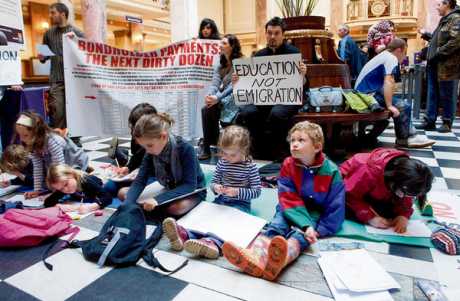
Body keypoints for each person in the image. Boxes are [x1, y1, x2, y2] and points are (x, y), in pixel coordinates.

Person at [222, 121, 345, 281]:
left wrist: (319, 230)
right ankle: (255, 256)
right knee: (277, 225)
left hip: (313, 212)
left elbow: (336, 205)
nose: (294, 144)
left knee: (301, 237)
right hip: (288, 207)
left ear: (317, 147)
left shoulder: (332, 171)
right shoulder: (288, 164)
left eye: (301, 140)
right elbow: (287, 195)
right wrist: (305, 224)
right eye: (292, 140)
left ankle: (282, 258)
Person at [163, 126, 261, 259]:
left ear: (244, 150)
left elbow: (256, 191)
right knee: (205, 219)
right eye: (224, 153)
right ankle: (184, 235)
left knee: (227, 226)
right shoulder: (223, 163)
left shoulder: (251, 167)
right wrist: (216, 188)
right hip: (221, 200)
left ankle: (212, 243)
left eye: (232, 155)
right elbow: (213, 183)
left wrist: (237, 192)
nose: (227, 158)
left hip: (240, 205)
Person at [234, 17, 307, 160]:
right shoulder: (259, 55)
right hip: (264, 99)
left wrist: (302, 75)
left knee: (277, 113)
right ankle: (257, 152)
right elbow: (251, 82)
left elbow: (303, 84)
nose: (272, 36)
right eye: (269, 33)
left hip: (287, 99)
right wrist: (238, 81)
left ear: (283, 34)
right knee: (248, 111)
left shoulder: (293, 53)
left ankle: (279, 153)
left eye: (276, 33)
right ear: (266, 34)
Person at [355, 38, 435, 148]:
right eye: (405, 53)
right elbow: (389, 80)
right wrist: (389, 105)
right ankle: (405, 139)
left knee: (396, 107)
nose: (404, 56)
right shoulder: (391, 57)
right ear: (399, 50)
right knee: (404, 106)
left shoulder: (383, 56)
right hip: (368, 96)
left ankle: (410, 135)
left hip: (363, 94)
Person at [124, 113, 206, 217]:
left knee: (176, 208)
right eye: (144, 147)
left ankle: (150, 212)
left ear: (164, 136)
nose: (147, 151)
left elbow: (189, 185)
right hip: (169, 188)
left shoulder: (185, 148)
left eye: (149, 145)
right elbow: (140, 180)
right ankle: (151, 211)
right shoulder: (150, 151)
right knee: (124, 194)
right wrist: (126, 205)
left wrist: (157, 200)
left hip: (194, 190)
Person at [340, 148, 434, 233]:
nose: (407, 197)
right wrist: (370, 217)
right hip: (347, 189)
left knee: (389, 213)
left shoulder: (404, 175)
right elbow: (350, 195)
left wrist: (403, 215)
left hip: (378, 190)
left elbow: (405, 196)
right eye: (405, 193)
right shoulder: (368, 172)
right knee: (343, 209)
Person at [13, 111, 89, 198]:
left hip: (75, 161)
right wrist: (37, 190)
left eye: (25, 135)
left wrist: (55, 195)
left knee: (75, 184)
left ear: (37, 132)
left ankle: (86, 171)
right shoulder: (32, 143)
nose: (22, 139)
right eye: (20, 135)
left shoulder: (53, 141)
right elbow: (37, 167)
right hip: (56, 164)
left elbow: (60, 168)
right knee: (49, 183)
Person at [38, 3, 84, 136]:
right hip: (56, 79)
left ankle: (75, 140)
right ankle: (59, 141)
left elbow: (87, 53)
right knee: (57, 111)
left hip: (74, 80)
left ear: (63, 14)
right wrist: (42, 56)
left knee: (75, 112)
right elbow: (44, 56)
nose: (50, 16)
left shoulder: (77, 33)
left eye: (53, 13)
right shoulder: (48, 33)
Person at [416, 0, 460, 132]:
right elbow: (440, 40)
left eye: (439, 5)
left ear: (447, 4)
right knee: (432, 93)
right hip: (435, 64)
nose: (437, 8)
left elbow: (456, 41)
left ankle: (447, 123)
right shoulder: (444, 21)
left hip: (447, 66)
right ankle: (430, 120)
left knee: (448, 94)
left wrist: (437, 53)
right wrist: (427, 36)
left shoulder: (456, 19)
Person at [199, 34, 243, 160]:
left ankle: (227, 148)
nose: (220, 45)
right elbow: (215, 84)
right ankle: (207, 147)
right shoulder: (220, 65)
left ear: (232, 46)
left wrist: (217, 98)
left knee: (216, 105)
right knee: (206, 108)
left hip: (237, 97)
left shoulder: (240, 62)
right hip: (223, 97)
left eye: (224, 43)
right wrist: (210, 96)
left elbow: (233, 86)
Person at [104, 103, 157, 200]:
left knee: (125, 194)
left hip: (153, 177)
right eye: (133, 127)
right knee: (109, 187)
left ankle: (121, 155)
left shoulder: (158, 141)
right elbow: (136, 156)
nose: (133, 132)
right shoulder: (135, 136)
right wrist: (128, 168)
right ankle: (122, 156)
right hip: (137, 175)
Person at [44, 164, 112, 214]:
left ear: (72, 175)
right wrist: (58, 206)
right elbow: (48, 202)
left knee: (108, 175)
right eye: (60, 189)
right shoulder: (63, 185)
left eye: (66, 184)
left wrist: (93, 206)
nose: (65, 190)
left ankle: (106, 168)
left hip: (99, 179)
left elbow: (107, 196)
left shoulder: (86, 181)